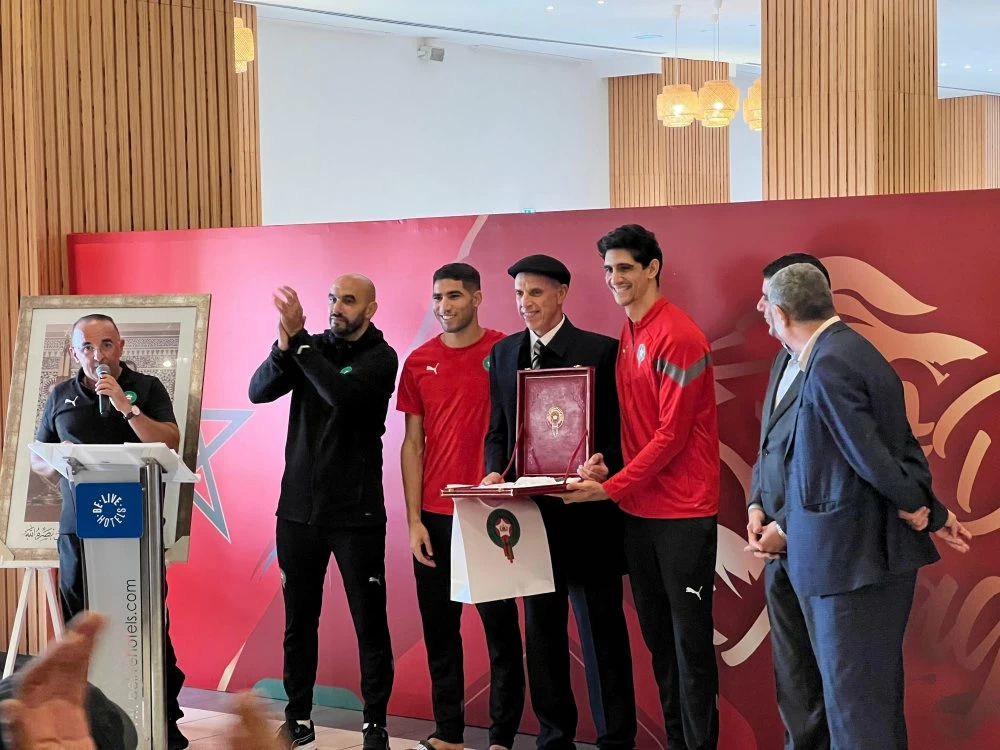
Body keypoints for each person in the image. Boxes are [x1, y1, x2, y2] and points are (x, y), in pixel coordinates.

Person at [762, 262, 972, 749]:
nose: (764, 315)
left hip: (851, 565)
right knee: (858, 705)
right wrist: (926, 509)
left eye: (766, 306)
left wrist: (925, 510)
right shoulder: (841, 351)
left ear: (781, 310)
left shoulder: (833, 361)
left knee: (858, 713)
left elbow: (871, 458)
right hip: (845, 561)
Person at [567, 225, 720, 750]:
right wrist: (605, 467)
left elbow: (672, 437)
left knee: (690, 648)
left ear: (652, 267)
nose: (614, 279)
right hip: (639, 512)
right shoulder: (630, 330)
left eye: (625, 268)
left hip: (682, 515)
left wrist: (611, 490)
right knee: (660, 644)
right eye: (608, 270)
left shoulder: (678, 335)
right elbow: (637, 429)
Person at [483, 255, 636, 750]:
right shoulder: (505, 354)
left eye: (536, 293)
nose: (526, 304)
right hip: (530, 517)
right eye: (519, 295)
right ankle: (554, 738)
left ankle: (616, 739)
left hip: (587, 515)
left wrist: (603, 462)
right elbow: (498, 430)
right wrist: (493, 469)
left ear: (562, 293)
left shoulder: (600, 351)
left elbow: (620, 433)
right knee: (542, 636)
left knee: (601, 636)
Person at [249, 276, 398, 750]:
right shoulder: (306, 347)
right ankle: (299, 718)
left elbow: (341, 395)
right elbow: (258, 391)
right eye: (332, 297)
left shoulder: (381, 357)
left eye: (347, 300)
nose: (336, 306)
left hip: (357, 515)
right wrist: (284, 343)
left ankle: (375, 721)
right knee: (299, 622)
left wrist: (302, 347)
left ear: (370, 309)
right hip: (297, 513)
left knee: (369, 622)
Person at [30, 314, 188, 749]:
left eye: (105, 345)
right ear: (73, 350)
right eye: (86, 347)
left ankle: (163, 721)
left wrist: (126, 407)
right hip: (79, 532)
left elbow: (169, 441)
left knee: (146, 622)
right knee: (81, 629)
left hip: (133, 530)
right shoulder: (60, 395)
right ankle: (90, 723)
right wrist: (60, 455)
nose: (96, 355)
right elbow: (39, 460)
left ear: (120, 346)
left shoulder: (147, 387)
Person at [397, 263, 525, 750]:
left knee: (500, 633)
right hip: (434, 516)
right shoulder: (418, 361)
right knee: (440, 632)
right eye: (437, 297)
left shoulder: (505, 349)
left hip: (491, 513)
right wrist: (413, 521)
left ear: (476, 298)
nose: (443, 306)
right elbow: (413, 445)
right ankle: (447, 733)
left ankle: (501, 739)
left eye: (453, 296)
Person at [744, 254, 831, 750]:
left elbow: (831, 467)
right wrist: (757, 504)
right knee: (793, 675)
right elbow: (770, 447)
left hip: (818, 549)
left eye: (768, 296)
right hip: (776, 550)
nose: (760, 305)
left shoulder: (833, 363)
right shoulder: (783, 357)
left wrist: (788, 529)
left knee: (830, 677)